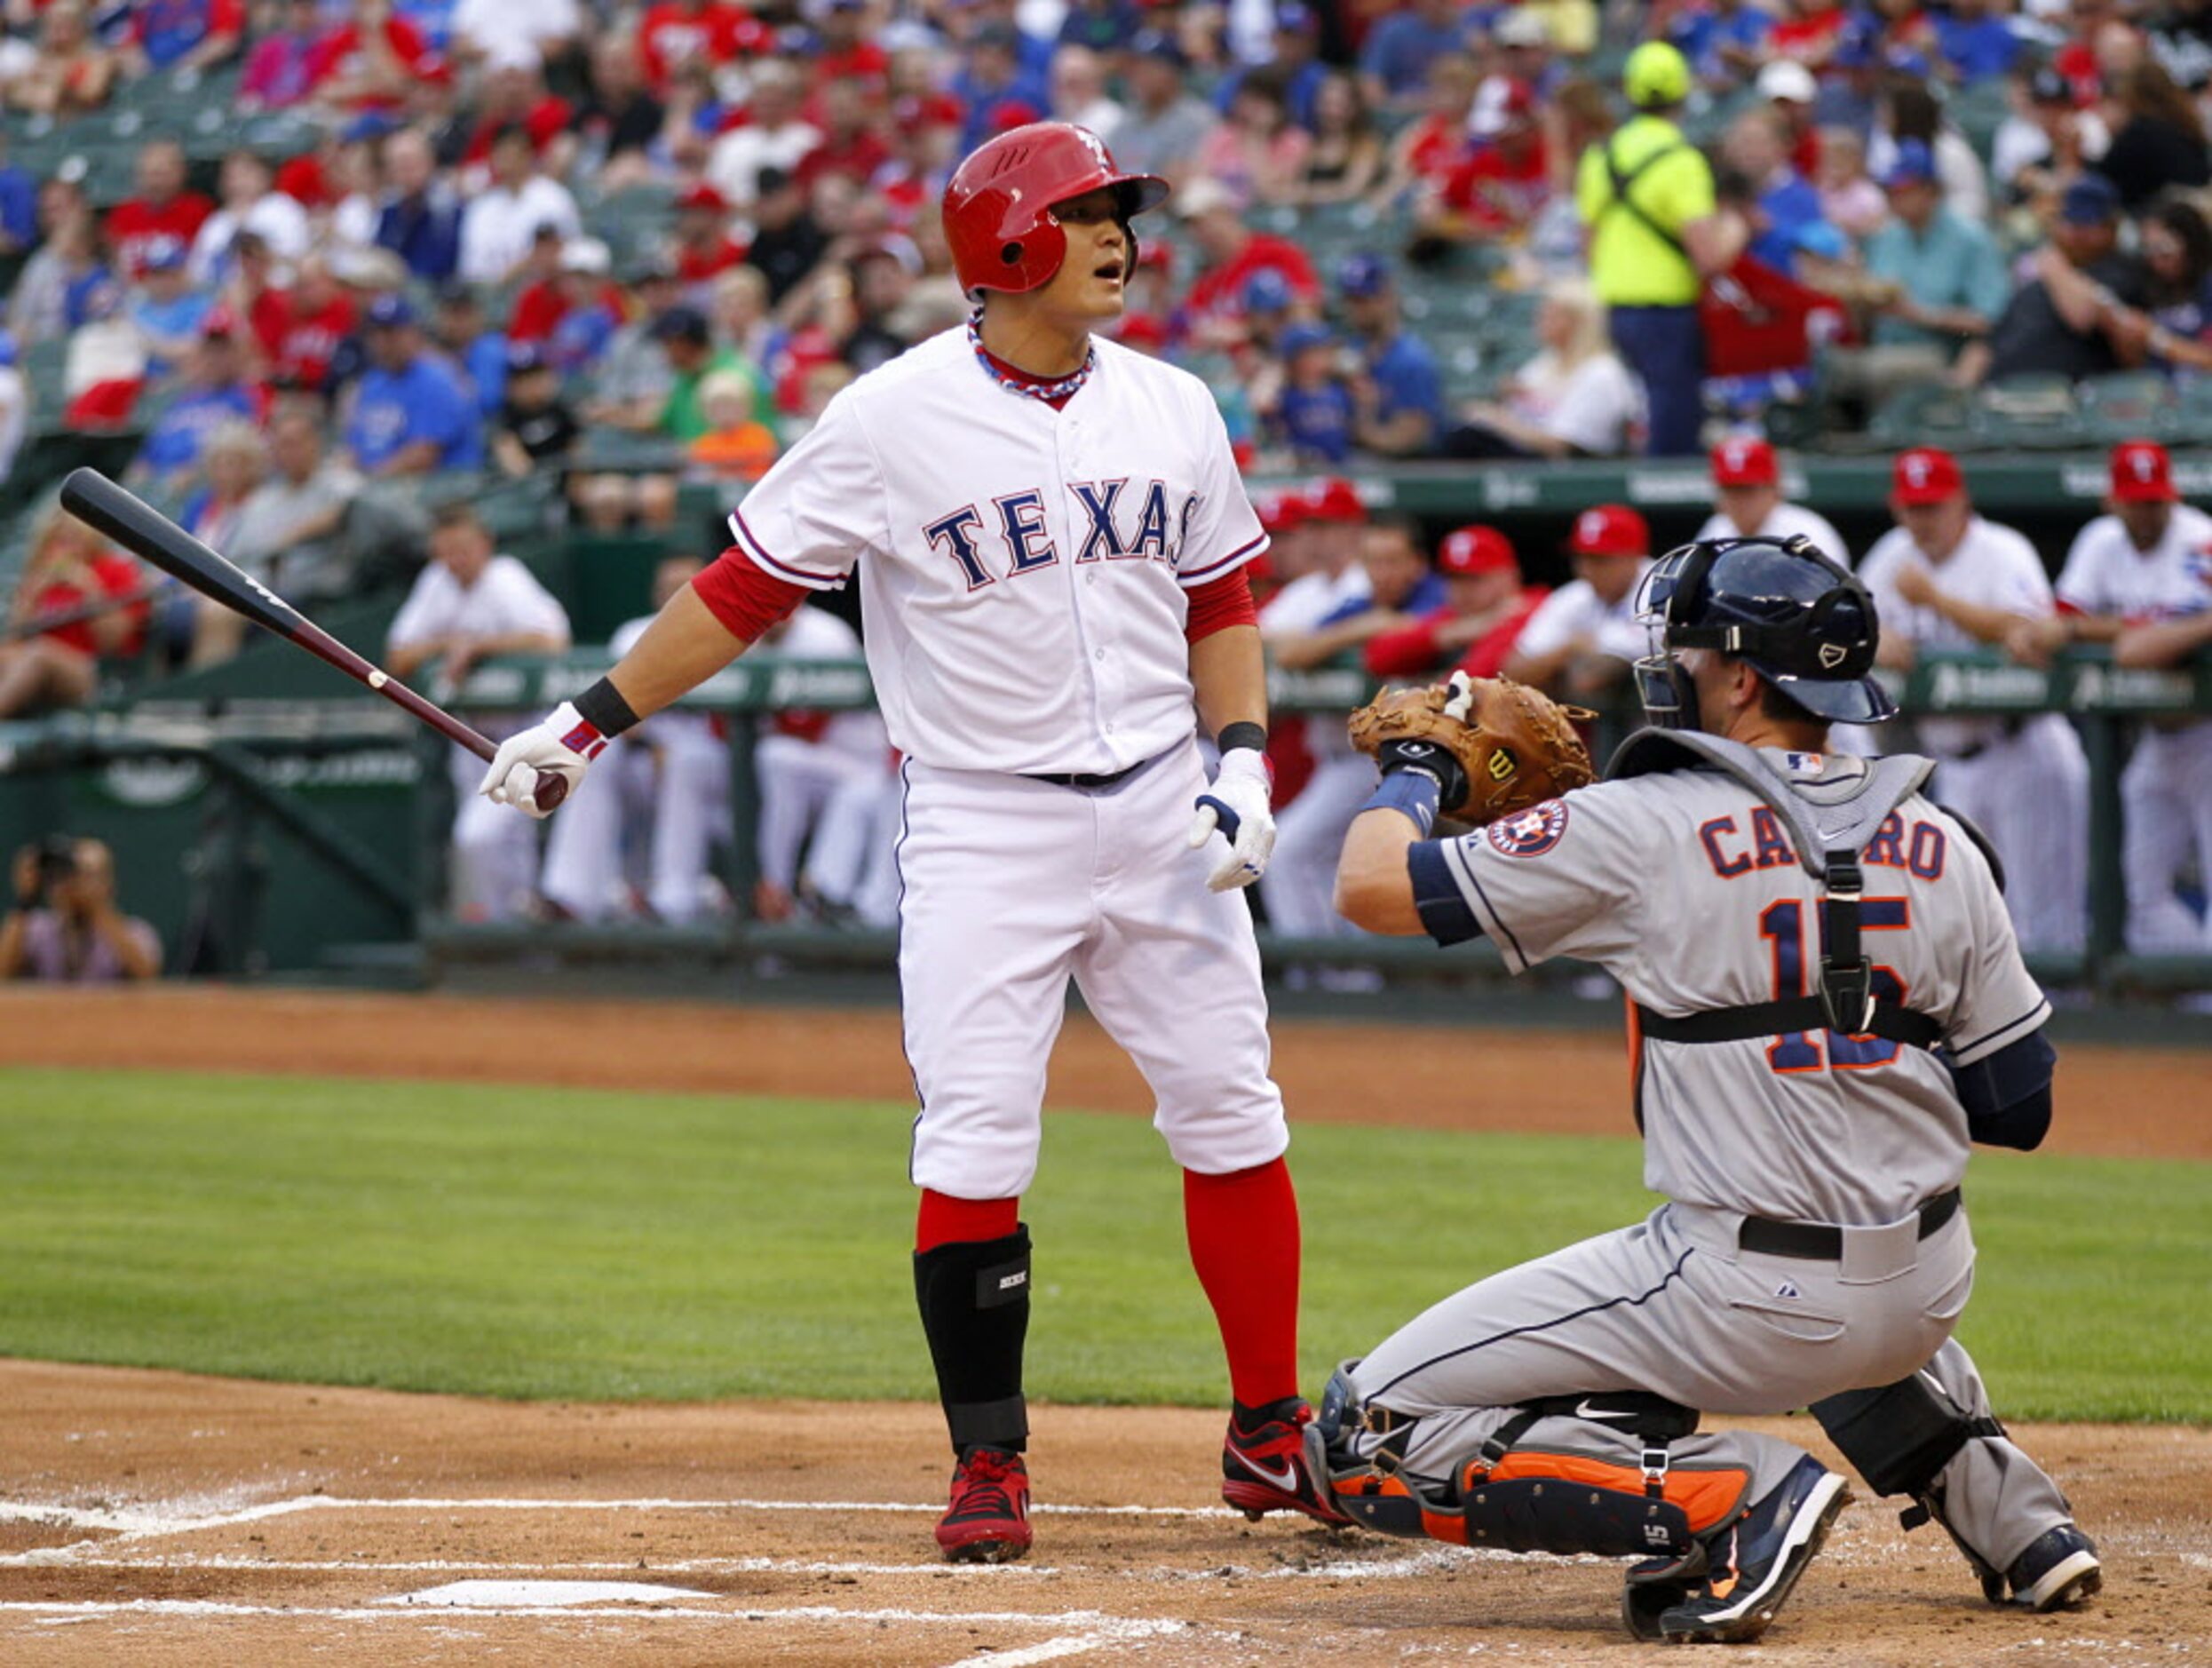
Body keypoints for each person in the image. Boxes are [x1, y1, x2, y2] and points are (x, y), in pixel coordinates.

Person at [477, 122, 1328, 1563]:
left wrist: (1240, 758)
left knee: (1232, 1108)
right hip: (987, 823)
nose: (1119, 234)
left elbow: (1223, 599)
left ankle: (1266, 1427)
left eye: (1121, 210)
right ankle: (986, 1459)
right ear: (1004, 242)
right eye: (1085, 212)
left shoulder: (1175, 403)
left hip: (1159, 806)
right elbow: (742, 590)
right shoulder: (888, 416)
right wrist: (584, 721)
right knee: (980, 1133)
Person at [1322, 534, 2103, 1643]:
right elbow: (2017, 1108)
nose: (1672, 668)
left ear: (1740, 677)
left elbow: (1366, 888)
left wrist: (1420, 772)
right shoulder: (1945, 839)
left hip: (1743, 1295)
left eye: (1688, 652)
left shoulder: (1641, 824)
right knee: (1838, 1282)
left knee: (1365, 1430)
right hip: (1927, 1291)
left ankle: (1731, 1497)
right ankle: (2018, 1522)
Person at [1858, 448, 2090, 956]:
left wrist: (1936, 600)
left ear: (1961, 501)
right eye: (1913, 507)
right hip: (1955, 765)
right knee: (1969, 922)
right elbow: (1849, 625)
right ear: (1896, 507)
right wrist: (1872, 638)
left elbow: (2028, 632)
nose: (1922, 520)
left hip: (2024, 749)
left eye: (1933, 506)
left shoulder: (2003, 550)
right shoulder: (1890, 554)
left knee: (2044, 923)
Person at [2010, 441, 2212, 952]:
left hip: (2206, 733)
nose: (2146, 511)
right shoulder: (2100, 541)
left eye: (2156, 500)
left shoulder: (2200, 539)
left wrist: (2080, 630)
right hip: (2159, 742)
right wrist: (2056, 630)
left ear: (2174, 495)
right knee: (2140, 902)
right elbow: (2052, 626)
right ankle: (2194, 1005)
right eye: (2136, 500)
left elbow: (2146, 648)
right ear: (2111, 500)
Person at [1264, 514, 1445, 943]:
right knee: (1339, 868)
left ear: (1417, 564)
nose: (1381, 573)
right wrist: (1363, 628)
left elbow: (1406, 644)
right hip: (1343, 760)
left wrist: (1388, 635)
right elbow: (1290, 652)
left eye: (1392, 561)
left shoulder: (1434, 598)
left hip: (1394, 764)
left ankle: (1328, 976)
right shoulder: (1360, 607)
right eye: (1373, 562)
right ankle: (1346, 978)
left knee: (1292, 852)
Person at [388, 503, 572, 923]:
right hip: (471, 733)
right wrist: (452, 643)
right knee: (502, 845)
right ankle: (514, 942)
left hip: (526, 728)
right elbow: (397, 657)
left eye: (463, 549)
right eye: (446, 550)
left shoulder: (505, 577)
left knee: (479, 838)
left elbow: (551, 643)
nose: (455, 560)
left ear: (484, 545)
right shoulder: (437, 581)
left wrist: (477, 647)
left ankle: (505, 931)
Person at [539, 557, 735, 925]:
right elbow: (611, 710)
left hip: (710, 769)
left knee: (686, 762)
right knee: (595, 757)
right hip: (645, 758)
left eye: (686, 584)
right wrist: (649, 743)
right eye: (668, 586)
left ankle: (673, 900)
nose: (676, 593)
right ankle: (570, 894)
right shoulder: (633, 634)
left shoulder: (729, 632)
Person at [1577, 43, 1746, 456]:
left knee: (1640, 415)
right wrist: (1737, 230)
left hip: (1617, 309)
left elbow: (1587, 245)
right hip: (1667, 311)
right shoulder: (1682, 160)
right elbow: (1707, 256)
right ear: (1683, 93)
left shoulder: (1601, 156)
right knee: (1673, 425)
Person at [1956, 174, 2147, 387]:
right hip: (1999, 394)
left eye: (2087, 225)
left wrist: (2052, 261)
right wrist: (1960, 390)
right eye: (2071, 223)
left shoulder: (2122, 271)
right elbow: (1986, 344)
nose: (2076, 234)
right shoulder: (2038, 280)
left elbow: (2083, 315)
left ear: (2112, 228)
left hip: (2062, 399)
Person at [1445, 277, 1641, 459]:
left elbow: (1562, 445)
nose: (1540, 319)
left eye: (1552, 314)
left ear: (1579, 322)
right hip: (1528, 461)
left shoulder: (1602, 372)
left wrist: (1496, 418)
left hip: (1573, 469)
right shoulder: (1545, 363)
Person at [1361, 523, 1549, 682]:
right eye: (1455, 578)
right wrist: (1448, 635)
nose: (1463, 589)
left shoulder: (1533, 606)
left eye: (1474, 578)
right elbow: (1377, 657)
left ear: (1510, 575)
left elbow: (1475, 677)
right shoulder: (1456, 617)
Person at [1502, 504, 1653, 700]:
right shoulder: (1576, 595)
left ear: (1634, 556)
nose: (1586, 570)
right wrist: (1569, 648)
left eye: (1600, 560)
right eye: (1581, 558)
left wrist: (1550, 672)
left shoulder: (1660, 591)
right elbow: (1510, 674)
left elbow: (1587, 680)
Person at [343, 295, 483, 477]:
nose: (382, 343)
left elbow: (423, 455)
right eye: (375, 334)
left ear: (414, 333)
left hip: (438, 487)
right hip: (382, 487)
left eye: (391, 333)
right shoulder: (373, 382)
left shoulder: (437, 381)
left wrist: (368, 481)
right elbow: (355, 446)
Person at [1, 838, 160, 983]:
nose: (73, 882)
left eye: (88, 874)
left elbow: (146, 976)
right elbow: (3, 972)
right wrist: (26, 899)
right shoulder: (35, 929)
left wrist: (98, 906)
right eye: (65, 873)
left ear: (109, 882)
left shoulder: (135, 931)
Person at [1337, 254, 1443, 459]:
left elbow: (1409, 436)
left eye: (1364, 300)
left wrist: (1359, 431)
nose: (1356, 308)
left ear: (1388, 297)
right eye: (1350, 299)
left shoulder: (1411, 360)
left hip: (1408, 471)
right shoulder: (1347, 350)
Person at [1693, 438, 1850, 568]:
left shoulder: (1808, 532)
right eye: (1730, 490)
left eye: (1747, 490)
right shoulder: (1716, 529)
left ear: (1776, 491)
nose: (1738, 501)